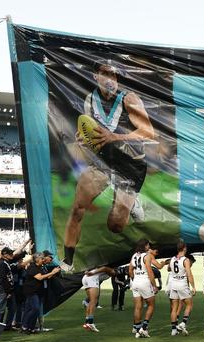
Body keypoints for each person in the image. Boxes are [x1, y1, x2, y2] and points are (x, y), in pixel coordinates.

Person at [61, 60, 155, 272]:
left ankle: (132, 202)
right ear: (95, 76)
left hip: (130, 165)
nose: (110, 79)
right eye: (105, 74)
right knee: (77, 209)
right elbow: (90, 134)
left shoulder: (129, 99)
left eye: (113, 75)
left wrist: (114, 136)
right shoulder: (89, 100)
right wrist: (83, 139)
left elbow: (149, 132)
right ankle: (67, 261)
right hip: (103, 162)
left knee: (115, 226)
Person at [21, 253, 60, 334]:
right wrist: (52, 272)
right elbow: (40, 277)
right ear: (37, 259)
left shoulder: (39, 267)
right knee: (35, 309)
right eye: (42, 259)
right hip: (31, 291)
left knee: (30, 309)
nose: (43, 260)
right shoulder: (32, 267)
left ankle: (29, 328)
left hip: (37, 291)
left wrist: (55, 271)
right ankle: (26, 326)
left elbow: (46, 277)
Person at [129, 239, 158, 338]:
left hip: (135, 282)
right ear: (145, 246)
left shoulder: (134, 255)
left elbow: (130, 270)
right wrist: (154, 285)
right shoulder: (147, 256)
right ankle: (144, 328)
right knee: (151, 305)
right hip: (144, 282)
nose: (149, 247)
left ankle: (137, 331)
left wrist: (134, 279)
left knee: (137, 307)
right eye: (148, 245)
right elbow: (150, 272)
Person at [168, 241, 196, 336]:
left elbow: (169, 269)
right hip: (182, 284)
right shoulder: (186, 260)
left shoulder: (172, 259)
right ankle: (183, 323)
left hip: (173, 284)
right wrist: (193, 287)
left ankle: (173, 330)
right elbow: (189, 274)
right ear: (184, 248)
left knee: (174, 308)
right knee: (189, 305)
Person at [81, 266, 116, 332]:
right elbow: (104, 268)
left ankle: (87, 322)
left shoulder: (106, 272)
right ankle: (91, 323)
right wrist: (92, 273)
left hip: (85, 278)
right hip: (92, 278)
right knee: (94, 301)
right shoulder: (112, 271)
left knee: (91, 301)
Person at [0, 247, 15, 323]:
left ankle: (7, 325)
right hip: (4, 291)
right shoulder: (2, 263)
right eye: (10, 253)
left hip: (7, 290)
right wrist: (7, 291)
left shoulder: (5, 262)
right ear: (5, 254)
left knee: (10, 307)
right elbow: (2, 279)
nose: (12, 255)